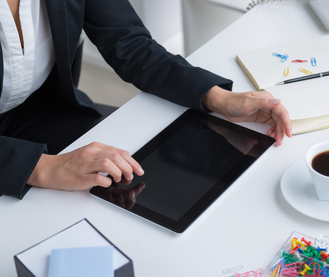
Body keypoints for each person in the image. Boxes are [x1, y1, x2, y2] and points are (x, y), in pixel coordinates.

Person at [0, 0, 292, 199]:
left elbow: (129, 43)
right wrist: (44, 168)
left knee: (120, 186)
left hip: (41, 111)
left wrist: (218, 98)